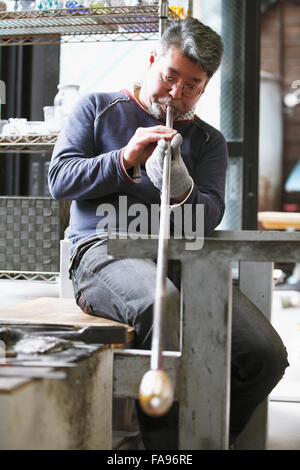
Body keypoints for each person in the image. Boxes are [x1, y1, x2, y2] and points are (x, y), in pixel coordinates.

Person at [48, 17, 288, 449]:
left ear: (205, 86)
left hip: (185, 260)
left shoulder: (209, 142)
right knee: (165, 308)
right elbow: (60, 180)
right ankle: (165, 451)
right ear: (153, 59)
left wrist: (179, 186)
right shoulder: (98, 108)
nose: (177, 93)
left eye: (192, 86)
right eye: (170, 77)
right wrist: (124, 158)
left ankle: (194, 442)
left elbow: (210, 213)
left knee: (264, 355)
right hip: (105, 253)